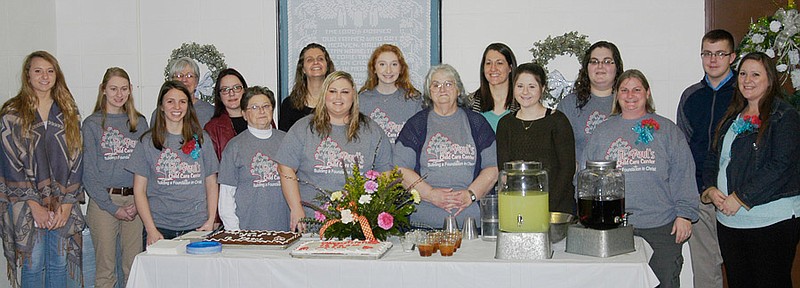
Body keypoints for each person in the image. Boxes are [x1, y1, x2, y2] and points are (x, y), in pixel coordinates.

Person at [581, 69, 698, 288]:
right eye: (624, 90)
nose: (630, 95)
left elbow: (684, 172)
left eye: (637, 89)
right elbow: (585, 177)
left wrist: (685, 214)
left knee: (665, 281)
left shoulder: (667, 130)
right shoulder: (602, 132)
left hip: (662, 226)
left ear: (647, 93)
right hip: (614, 228)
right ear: (617, 95)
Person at [701, 52, 800, 288]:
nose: (747, 80)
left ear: (770, 79)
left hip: (772, 221)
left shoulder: (785, 117)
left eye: (755, 74)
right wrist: (711, 189)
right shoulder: (731, 117)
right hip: (730, 222)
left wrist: (741, 197)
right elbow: (713, 158)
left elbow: (780, 166)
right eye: (743, 73)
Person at [0, 51, 85, 287]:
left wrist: (67, 205)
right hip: (26, 206)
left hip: (62, 204)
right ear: (28, 76)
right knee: (33, 264)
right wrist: (35, 205)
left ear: (57, 75)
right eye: (38, 71)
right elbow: (10, 162)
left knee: (59, 263)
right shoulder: (12, 114)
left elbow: (78, 158)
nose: (44, 76)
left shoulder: (69, 111)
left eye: (50, 71)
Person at [277, 71, 392, 232]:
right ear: (324, 94)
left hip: (359, 225)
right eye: (332, 91)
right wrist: (296, 208)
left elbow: (385, 172)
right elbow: (285, 167)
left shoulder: (371, 130)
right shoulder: (303, 128)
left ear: (353, 96)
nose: (338, 97)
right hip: (311, 223)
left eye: (345, 92)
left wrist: (374, 210)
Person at [395, 64, 499, 229]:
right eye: (436, 85)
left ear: (458, 89)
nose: (442, 89)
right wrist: (430, 194)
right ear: (429, 92)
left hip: (471, 225)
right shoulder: (416, 125)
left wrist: (471, 195)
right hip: (423, 224)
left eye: (448, 84)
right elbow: (400, 169)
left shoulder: (477, 123)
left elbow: (493, 169)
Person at [676, 29, 736, 288]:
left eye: (720, 54)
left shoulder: (744, 94)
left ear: (732, 57)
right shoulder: (691, 96)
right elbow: (683, 148)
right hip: (701, 195)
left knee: (741, 264)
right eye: (707, 54)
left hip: (737, 198)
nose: (713, 60)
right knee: (705, 267)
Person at [128, 81, 219, 245]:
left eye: (182, 101)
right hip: (160, 228)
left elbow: (211, 183)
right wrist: (151, 229)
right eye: (170, 101)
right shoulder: (147, 142)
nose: (177, 107)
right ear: (161, 106)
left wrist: (211, 220)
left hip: (197, 227)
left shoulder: (202, 139)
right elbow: (139, 190)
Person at [82, 67, 146, 288]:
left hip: (135, 202)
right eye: (113, 89)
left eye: (124, 89)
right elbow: (88, 173)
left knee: (134, 267)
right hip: (103, 203)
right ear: (103, 90)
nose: (119, 94)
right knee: (106, 271)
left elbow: (147, 167)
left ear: (130, 91)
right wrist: (112, 208)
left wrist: (139, 203)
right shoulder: (92, 124)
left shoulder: (139, 123)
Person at [496, 63, 575, 214]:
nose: (525, 92)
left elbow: (567, 169)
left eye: (532, 86)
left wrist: (546, 206)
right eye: (520, 86)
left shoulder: (558, 121)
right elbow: (504, 171)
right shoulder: (505, 124)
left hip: (555, 208)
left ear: (543, 88)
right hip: (519, 206)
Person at [218, 86, 288, 231]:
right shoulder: (234, 147)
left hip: (286, 228)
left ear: (272, 110)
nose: (261, 111)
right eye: (254, 107)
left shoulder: (287, 141)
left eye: (266, 106)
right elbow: (226, 196)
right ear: (244, 114)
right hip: (247, 230)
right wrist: (234, 232)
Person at [557, 41, 623, 160]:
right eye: (594, 61)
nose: (600, 66)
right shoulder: (569, 104)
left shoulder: (628, 102)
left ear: (617, 67)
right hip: (582, 177)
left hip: (620, 177)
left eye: (607, 61)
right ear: (586, 68)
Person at [358, 44, 422, 143]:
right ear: (374, 68)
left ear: (401, 69)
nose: (388, 70)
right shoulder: (362, 100)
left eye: (394, 64)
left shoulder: (414, 100)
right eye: (382, 64)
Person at [279, 43, 336, 132]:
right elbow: (285, 140)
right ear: (303, 69)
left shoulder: (338, 102)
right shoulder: (289, 105)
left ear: (327, 66)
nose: (316, 62)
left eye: (320, 59)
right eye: (310, 60)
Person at [151, 57, 215, 127]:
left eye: (189, 76)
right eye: (179, 75)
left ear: (196, 81)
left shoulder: (210, 112)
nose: (184, 80)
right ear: (171, 80)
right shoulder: (160, 113)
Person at [470, 43, 518, 131]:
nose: (493, 68)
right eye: (488, 63)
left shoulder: (521, 103)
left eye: (499, 63)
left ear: (510, 68)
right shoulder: (470, 104)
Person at [204, 68, 249, 160]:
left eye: (236, 88)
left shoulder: (261, 118)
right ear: (219, 95)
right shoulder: (212, 128)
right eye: (225, 89)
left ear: (244, 90)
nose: (231, 93)